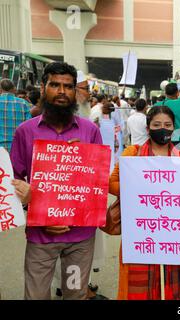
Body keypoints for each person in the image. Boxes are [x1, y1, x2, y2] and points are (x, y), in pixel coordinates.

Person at [10, 61, 103, 300]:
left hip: (80, 237)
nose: (62, 91)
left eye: (68, 86)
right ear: (43, 88)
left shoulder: (89, 131)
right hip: (41, 235)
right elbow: (14, 182)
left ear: (75, 92)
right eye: (55, 85)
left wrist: (86, 160)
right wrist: (33, 210)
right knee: (36, 296)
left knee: (75, 295)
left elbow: (97, 185)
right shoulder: (25, 131)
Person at [109, 105, 180, 300]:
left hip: (172, 235)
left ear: (174, 128)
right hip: (141, 234)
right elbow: (111, 183)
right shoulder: (133, 154)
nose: (162, 128)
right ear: (148, 129)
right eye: (157, 125)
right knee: (138, 288)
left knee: (172, 288)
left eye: (167, 124)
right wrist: (135, 190)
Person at [0, 79, 31, 152]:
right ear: (14, 89)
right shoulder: (23, 103)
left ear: (0, 89)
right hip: (17, 147)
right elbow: (28, 127)